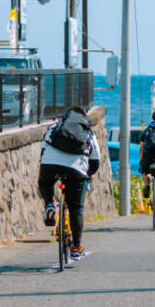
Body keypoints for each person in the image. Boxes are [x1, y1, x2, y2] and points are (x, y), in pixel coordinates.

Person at [39, 106, 100, 261]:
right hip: (76, 169)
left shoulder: (55, 127)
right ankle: (76, 248)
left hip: (50, 164)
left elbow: (43, 151)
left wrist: (47, 168)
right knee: (76, 209)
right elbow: (95, 161)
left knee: (45, 183)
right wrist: (88, 175)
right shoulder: (88, 132)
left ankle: (49, 205)